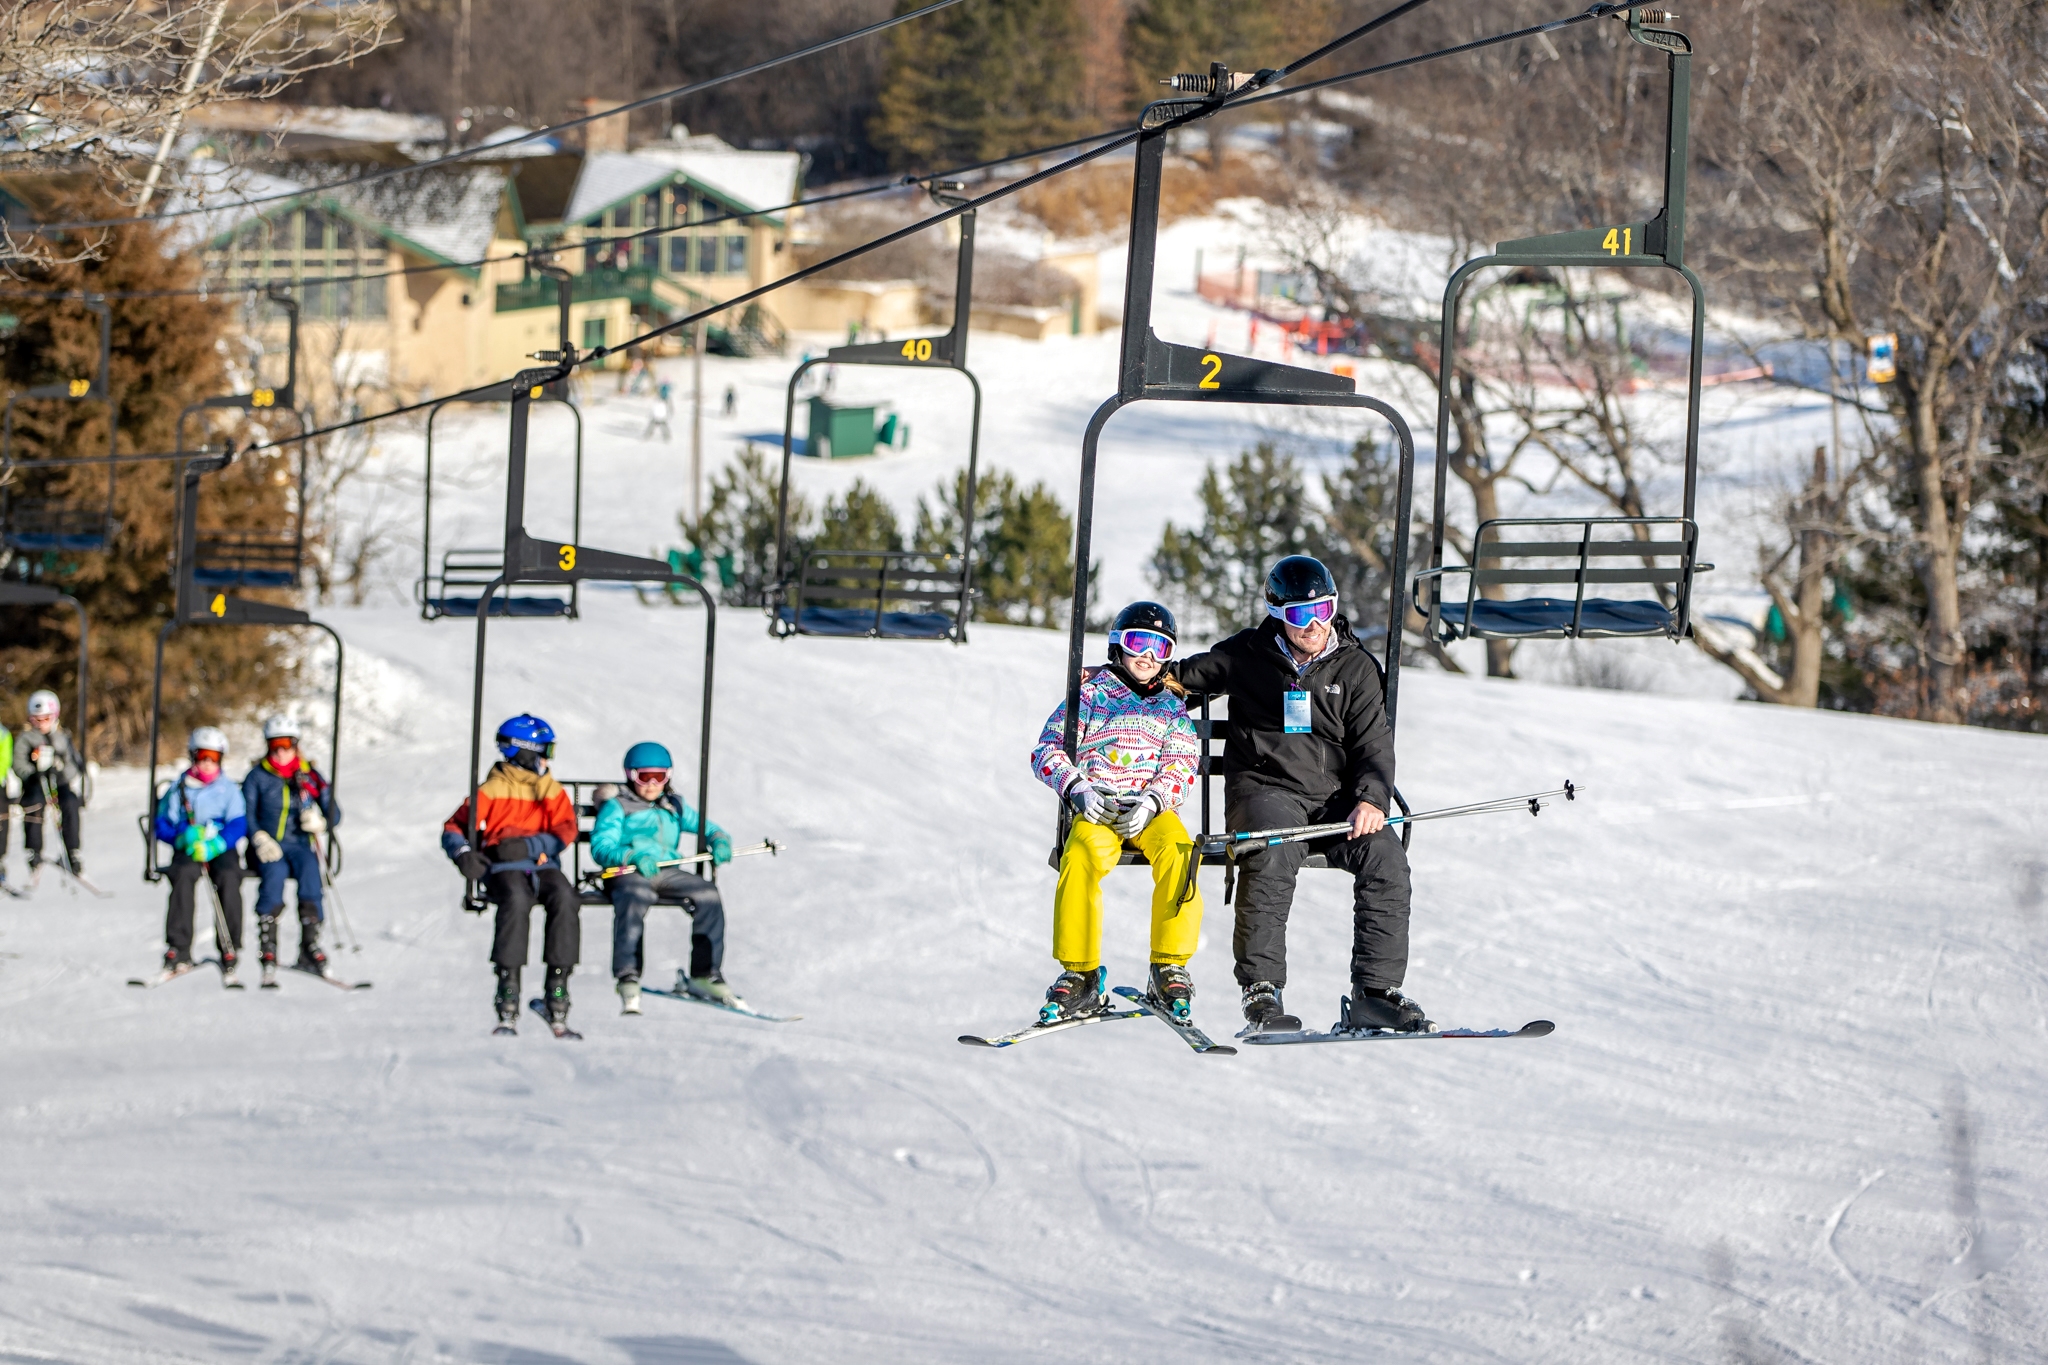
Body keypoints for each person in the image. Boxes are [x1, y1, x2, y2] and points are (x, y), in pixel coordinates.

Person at [1173, 555, 1431, 1035]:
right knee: (1272, 849)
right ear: (1277, 614)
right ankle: (1262, 991)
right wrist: (1114, 680)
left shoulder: (1356, 667)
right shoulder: (1247, 654)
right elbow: (1174, 681)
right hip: (1265, 790)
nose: (1312, 625)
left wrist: (1372, 798)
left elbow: (1374, 742)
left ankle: (1375, 994)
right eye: (1298, 615)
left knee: (1386, 859)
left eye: (1322, 610)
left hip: (1335, 800)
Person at [1029, 602, 1204, 1024]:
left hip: (1151, 810)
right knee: (1082, 856)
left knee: (1182, 852)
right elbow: (1047, 749)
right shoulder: (1091, 694)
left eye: (1160, 647)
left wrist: (1154, 801)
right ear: (1117, 646)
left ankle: (1168, 965)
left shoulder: (1171, 706)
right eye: (1138, 642)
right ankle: (1081, 973)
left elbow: (1183, 761)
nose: (1147, 655)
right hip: (1101, 804)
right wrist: (1079, 789)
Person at [441, 714, 580, 1034]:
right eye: (544, 750)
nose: (547, 759)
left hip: (542, 864)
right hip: (502, 867)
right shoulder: (492, 789)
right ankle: (508, 991)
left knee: (566, 896)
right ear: (525, 750)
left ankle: (557, 991)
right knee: (516, 901)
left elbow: (566, 829)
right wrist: (463, 854)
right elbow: (453, 828)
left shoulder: (550, 790)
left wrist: (532, 845)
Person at [590, 741, 735, 1015]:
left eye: (660, 776)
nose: (652, 784)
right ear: (631, 775)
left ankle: (706, 974)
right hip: (629, 872)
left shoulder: (673, 805)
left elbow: (707, 826)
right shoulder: (618, 806)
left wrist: (718, 840)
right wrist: (630, 856)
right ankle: (628, 974)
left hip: (667, 871)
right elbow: (601, 845)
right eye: (645, 777)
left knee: (707, 895)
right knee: (635, 898)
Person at [242, 715, 342, 982]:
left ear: (296, 744)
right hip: (268, 847)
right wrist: (259, 837)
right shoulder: (257, 776)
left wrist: (320, 821)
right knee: (273, 875)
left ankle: (309, 945)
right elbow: (246, 814)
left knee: (311, 871)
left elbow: (335, 814)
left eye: (286, 744)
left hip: (299, 845)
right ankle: (268, 945)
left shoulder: (310, 776)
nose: (281, 751)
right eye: (275, 744)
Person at [152, 726, 247, 979]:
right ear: (193, 756)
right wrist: (181, 838)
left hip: (219, 847)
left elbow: (238, 823)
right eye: (202, 756)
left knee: (229, 876)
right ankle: (178, 946)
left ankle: (230, 945)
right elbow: (161, 824)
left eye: (213, 757)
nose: (207, 763)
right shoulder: (179, 788)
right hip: (189, 848)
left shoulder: (228, 789)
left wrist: (218, 843)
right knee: (182, 875)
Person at [15, 689, 86, 877]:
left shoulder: (63, 737)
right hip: (35, 784)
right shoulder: (26, 739)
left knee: (70, 803)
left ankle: (73, 851)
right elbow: (18, 763)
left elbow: (74, 764)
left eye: (45, 719)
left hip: (59, 783)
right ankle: (34, 850)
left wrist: (60, 770)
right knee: (33, 805)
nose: (40, 724)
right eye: (36, 719)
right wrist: (32, 774)